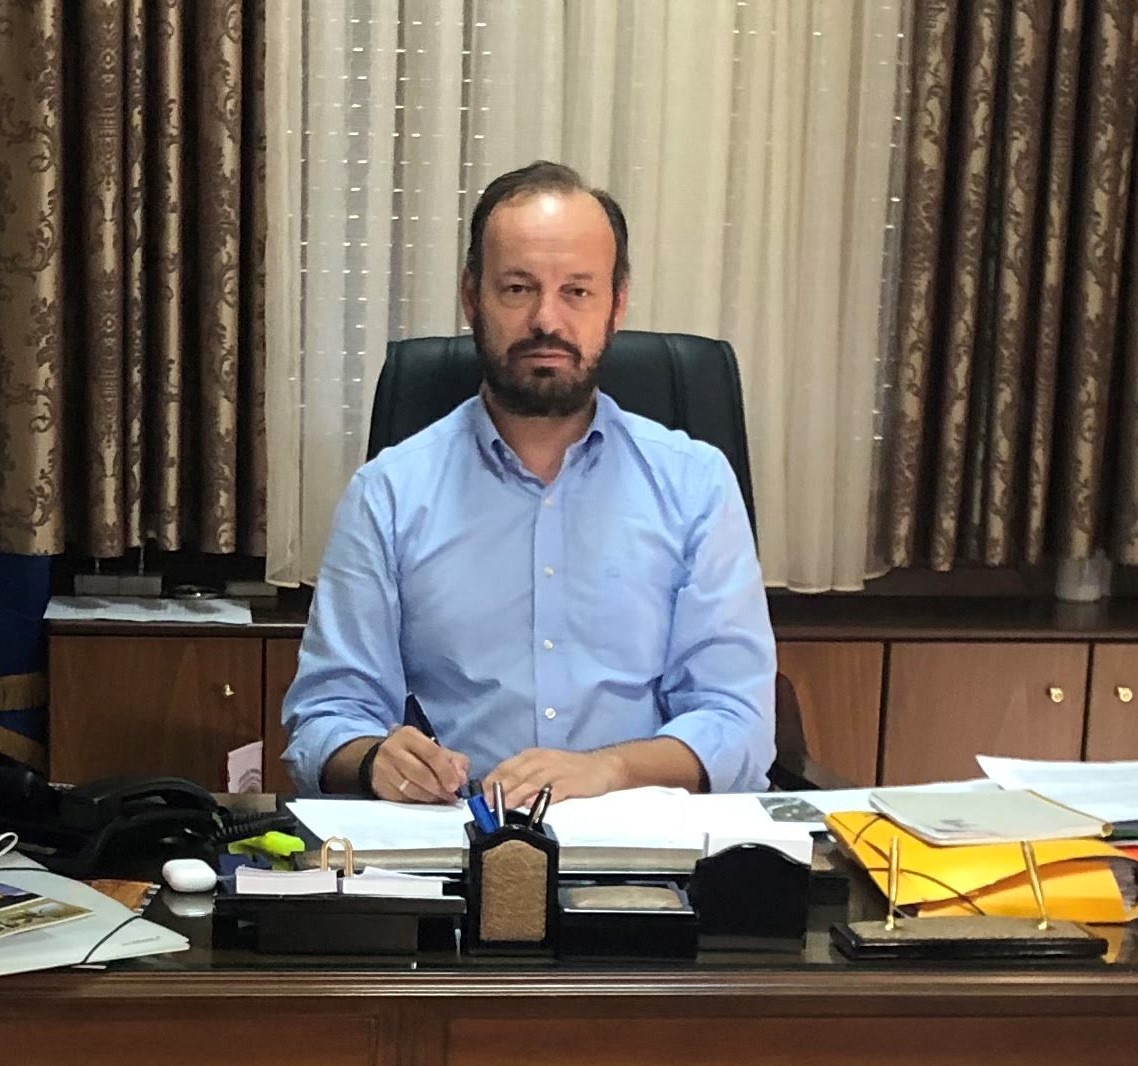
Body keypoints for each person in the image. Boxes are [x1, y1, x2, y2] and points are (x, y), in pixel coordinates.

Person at [282, 161, 776, 808]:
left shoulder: (695, 485)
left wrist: (606, 770)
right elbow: (325, 720)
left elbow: (738, 722)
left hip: (644, 844)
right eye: (518, 289)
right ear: (472, 298)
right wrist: (376, 759)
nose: (547, 319)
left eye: (577, 291)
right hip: (456, 839)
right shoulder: (389, 494)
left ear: (617, 304)